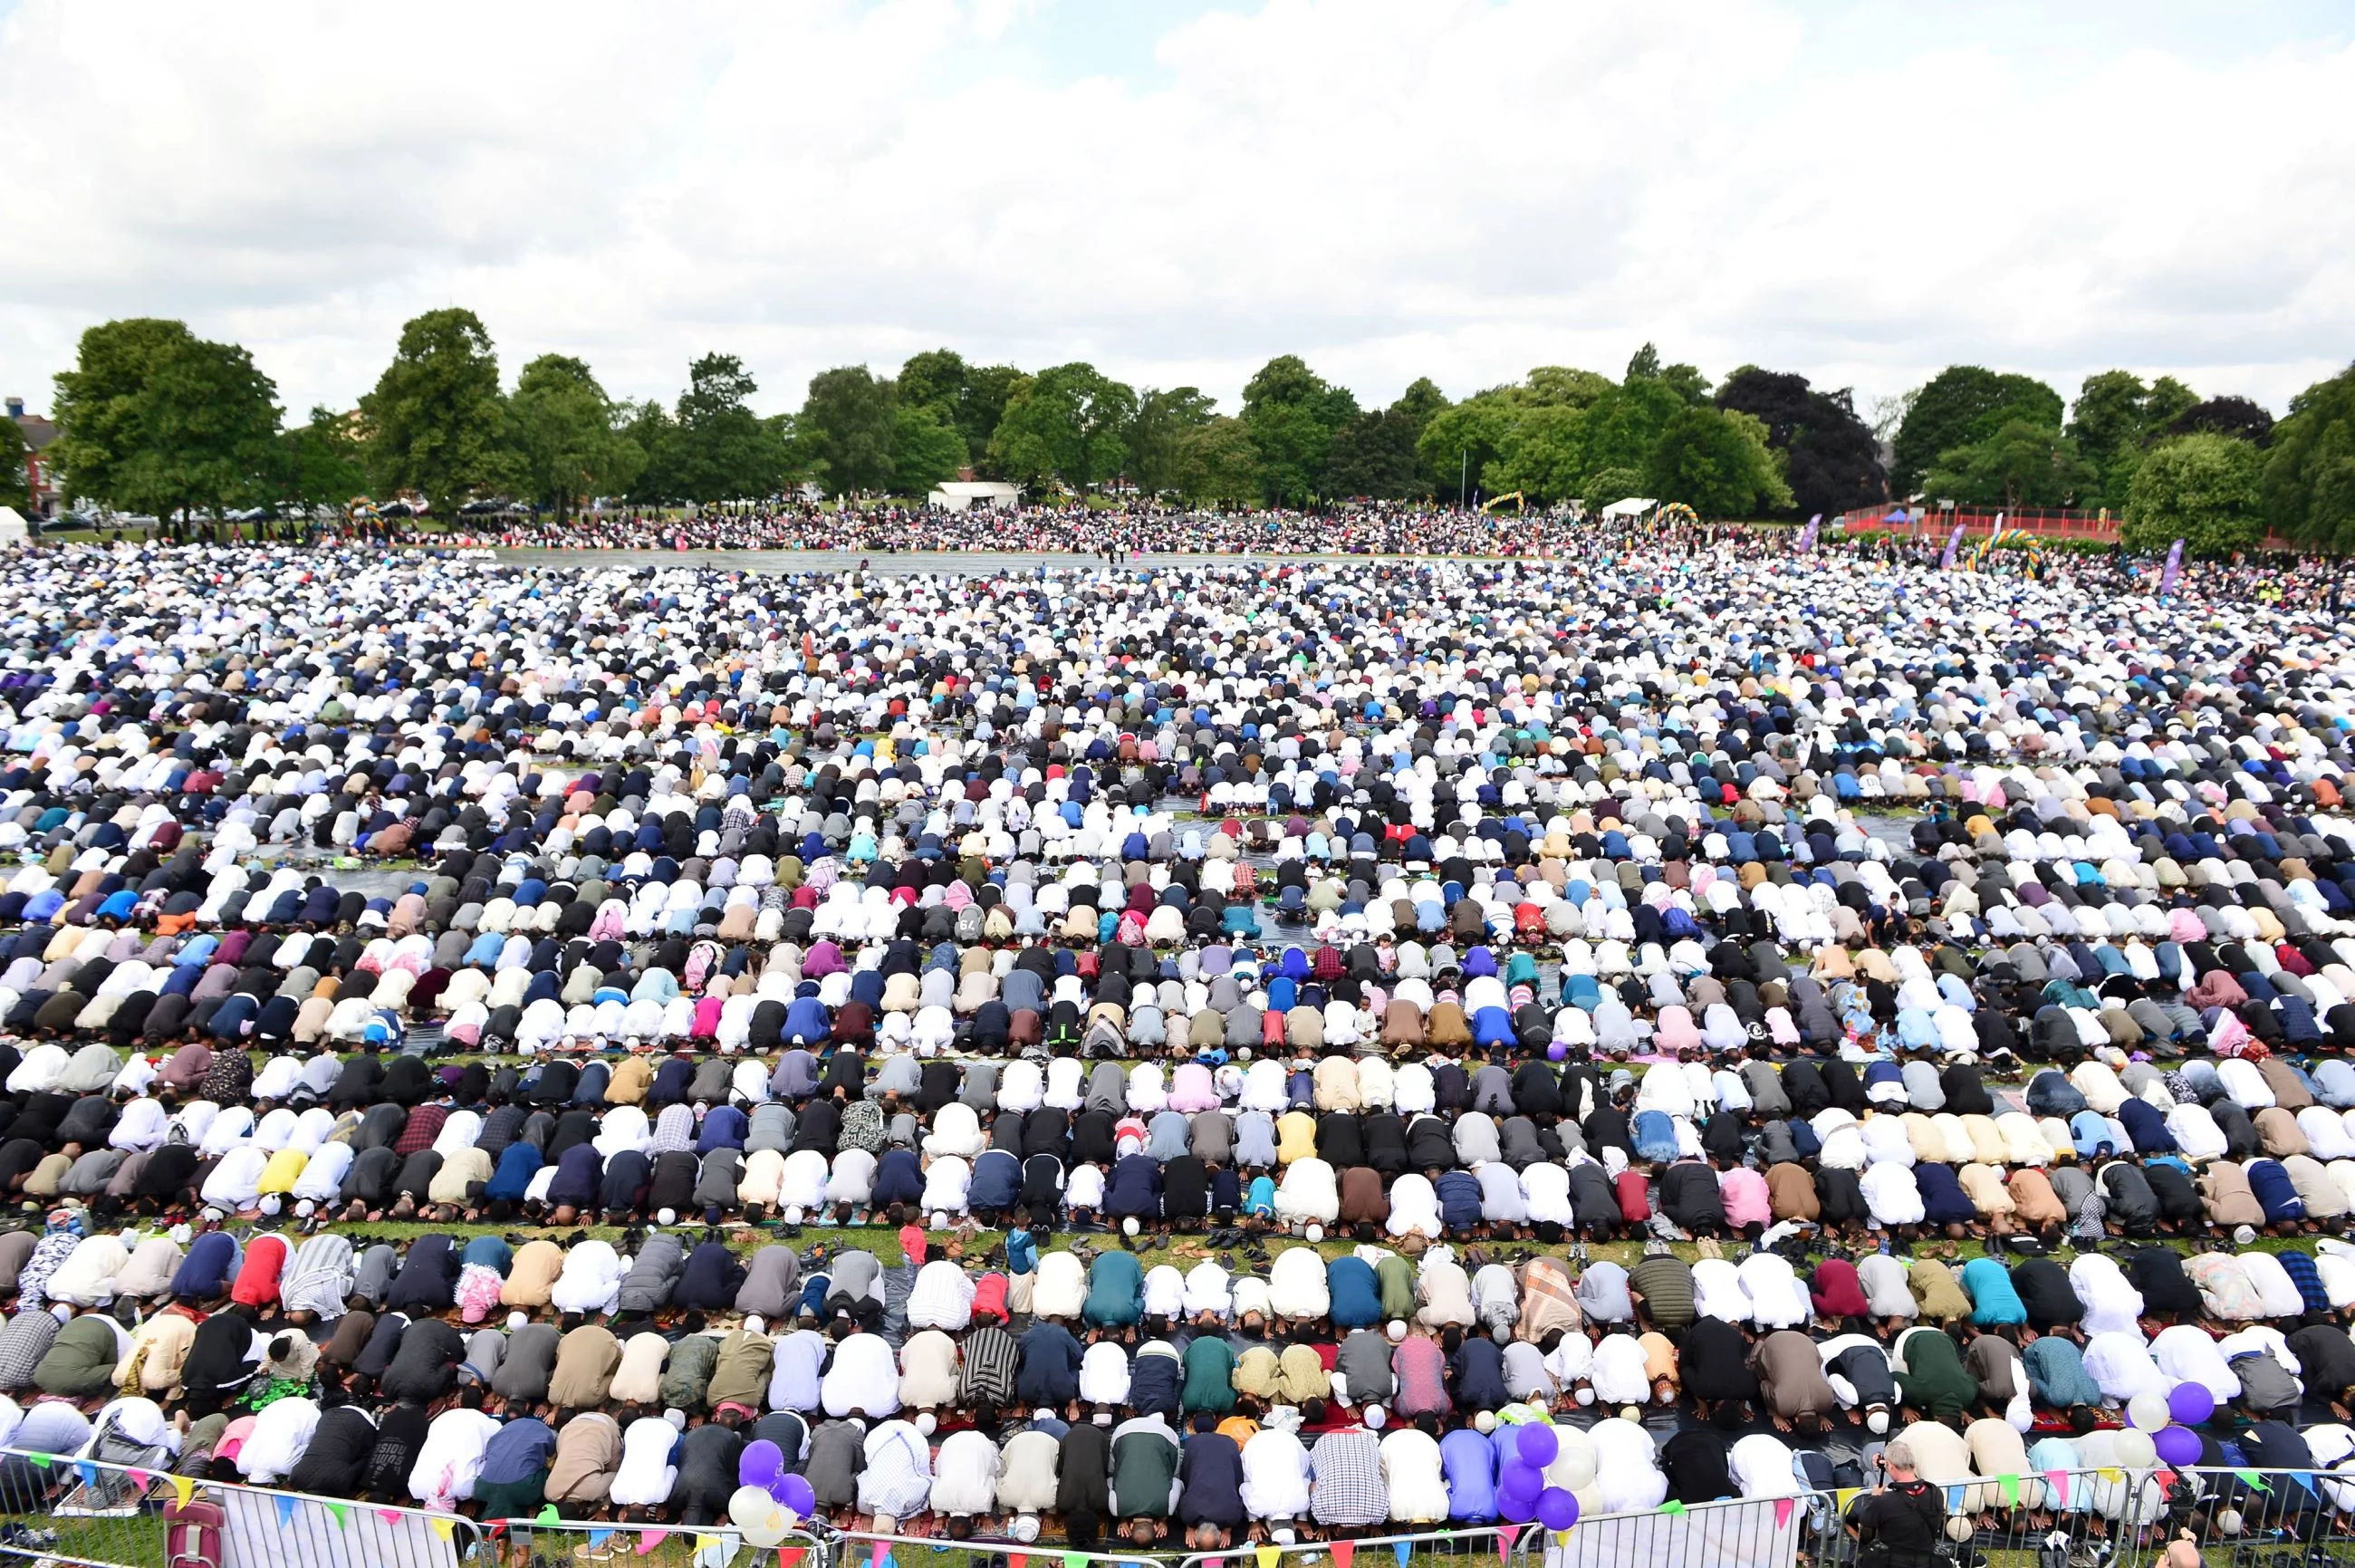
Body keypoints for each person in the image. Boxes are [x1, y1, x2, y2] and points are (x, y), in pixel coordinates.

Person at [1850, 1439, 1945, 1568]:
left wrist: (1874, 1497)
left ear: (1891, 1465)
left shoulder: (1884, 1501)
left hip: (1893, 1562)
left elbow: (1865, 1521)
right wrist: (1888, 1465)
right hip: (1926, 1561)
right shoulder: (1935, 1493)